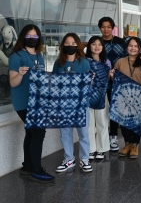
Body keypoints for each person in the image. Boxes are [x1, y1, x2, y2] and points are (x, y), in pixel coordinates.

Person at [8, 24, 55, 183]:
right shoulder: (17, 56)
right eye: (29, 36)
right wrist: (20, 74)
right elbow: (13, 83)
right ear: (23, 37)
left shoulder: (39, 55)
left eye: (35, 36)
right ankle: (36, 170)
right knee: (38, 132)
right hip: (23, 102)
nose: (32, 39)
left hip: (38, 102)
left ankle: (27, 167)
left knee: (31, 133)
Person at [109, 37, 141, 159]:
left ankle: (135, 145)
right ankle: (127, 144)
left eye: (135, 46)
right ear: (126, 47)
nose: (133, 48)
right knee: (124, 122)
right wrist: (112, 76)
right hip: (123, 98)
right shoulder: (120, 61)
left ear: (140, 49)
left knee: (138, 122)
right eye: (130, 46)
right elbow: (116, 80)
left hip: (140, 98)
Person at [54, 33, 92, 173]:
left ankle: (84, 159)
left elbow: (88, 85)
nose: (70, 46)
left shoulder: (84, 62)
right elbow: (53, 83)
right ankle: (69, 159)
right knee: (65, 134)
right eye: (67, 43)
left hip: (81, 105)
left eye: (73, 43)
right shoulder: (58, 63)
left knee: (83, 133)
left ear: (78, 45)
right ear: (63, 45)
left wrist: (90, 80)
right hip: (63, 105)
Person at [97, 16, 127, 153]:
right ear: (100, 28)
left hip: (118, 80)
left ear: (113, 28)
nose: (106, 29)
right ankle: (99, 137)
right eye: (103, 27)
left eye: (109, 27)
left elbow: (129, 57)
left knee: (115, 109)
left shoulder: (122, 42)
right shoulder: (97, 43)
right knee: (100, 109)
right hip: (100, 81)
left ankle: (113, 138)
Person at [85, 36, 111, 160]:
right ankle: (90, 149)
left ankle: (102, 149)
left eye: (99, 44)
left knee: (102, 122)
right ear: (89, 46)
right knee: (89, 123)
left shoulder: (106, 62)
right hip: (87, 95)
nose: (97, 47)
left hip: (101, 95)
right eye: (94, 44)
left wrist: (111, 75)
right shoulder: (84, 61)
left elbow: (108, 80)